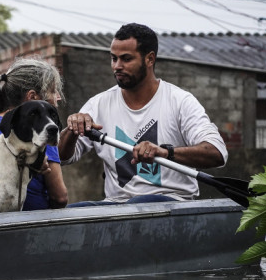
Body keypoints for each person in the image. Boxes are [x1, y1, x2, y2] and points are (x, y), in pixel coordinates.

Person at [58, 22, 227, 205]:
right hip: (116, 206)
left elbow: (216, 152)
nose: (117, 66)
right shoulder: (98, 104)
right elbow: (61, 157)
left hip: (171, 205)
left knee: (140, 203)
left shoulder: (180, 101)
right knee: (73, 212)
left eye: (126, 59)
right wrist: (72, 130)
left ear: (150, 59)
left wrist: (165, 152)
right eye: (114, 59)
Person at [0, 57, 68, 209]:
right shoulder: (41, 131)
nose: (58, 97)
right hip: (32, 220)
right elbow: (60, 197)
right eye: (53, 91)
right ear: (32, 97)